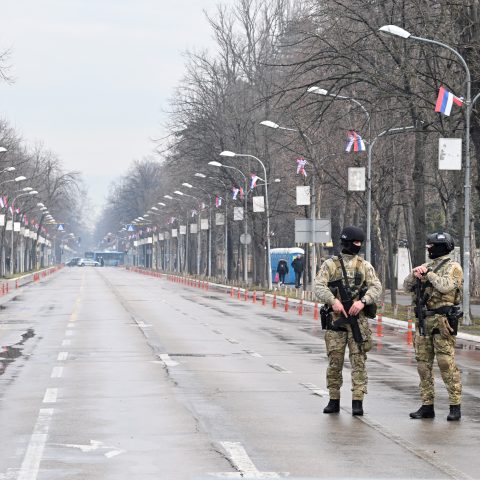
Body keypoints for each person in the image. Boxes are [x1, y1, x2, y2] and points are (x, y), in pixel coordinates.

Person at [315, 226, 382, 416]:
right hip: (336, 321)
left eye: (360, 243)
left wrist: (362, 302)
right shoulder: (330, 265)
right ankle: (333, 399)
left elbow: (376, 287)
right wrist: (333, 301)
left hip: (357, 321)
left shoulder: (364, 265)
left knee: (359, 361)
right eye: (355, 243)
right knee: (334, 362)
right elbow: (318, 286)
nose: (358, 246)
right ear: (346, 242)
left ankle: (357, 401)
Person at [403, 232, 463, 421]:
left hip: (443, 321)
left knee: (446, 363)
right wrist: (415, 274)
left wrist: (429, 275)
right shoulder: (426, 266)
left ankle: (455, 405)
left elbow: (446, 286)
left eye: (432, 247)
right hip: (424, 321)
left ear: (443, 247)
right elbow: (406, 287)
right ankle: (427, 405)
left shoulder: (453, 267)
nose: (429, 250)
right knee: (423, 364)